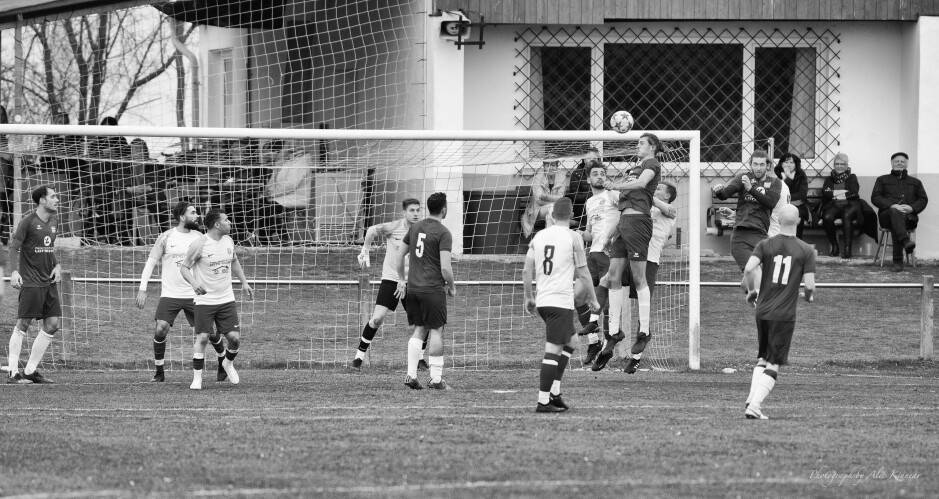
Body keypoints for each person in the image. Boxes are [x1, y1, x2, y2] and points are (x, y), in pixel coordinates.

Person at [591, 133, 662, 371]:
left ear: (652, 147)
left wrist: (616, 184)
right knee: (612, 277)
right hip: (624, 224)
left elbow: (641, 184)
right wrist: (610, 233)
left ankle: (644, 330)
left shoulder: (652, 164)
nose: (638, 145)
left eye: (642, 142)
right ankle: (613, 332)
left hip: (639, 223)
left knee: (639, 278)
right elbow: (625, 193)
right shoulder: (633, 168)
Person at [524, 197, 599, 413]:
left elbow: (527, 270)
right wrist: (593, 300)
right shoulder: (574, 237)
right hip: (559, 302)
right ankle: (543, 400)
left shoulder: (539, 236)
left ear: (551, 215)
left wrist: (529, 297)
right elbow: (583, 272)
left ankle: (555, 392)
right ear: (572, 216)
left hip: (544, 301)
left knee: (572, 340)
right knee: (553, 349)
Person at [742, 205, 816, 420]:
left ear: (779, 220)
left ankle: (751, 398)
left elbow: (748, 269)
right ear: (799, 221)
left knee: (763, 358)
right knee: (774, 362)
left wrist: (752, 291)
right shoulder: (806, 250)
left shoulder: (765, 244)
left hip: (762, 310)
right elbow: (809, 286)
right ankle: (754, 406)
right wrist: (809, 296)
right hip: (783, 314)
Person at [136, 201, 223, 383]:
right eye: (192, 212)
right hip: (170, 294)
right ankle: (159, 372)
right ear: (182, 217)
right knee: (160, 328)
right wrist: (142, 290)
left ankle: (223, 360)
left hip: (195, 294)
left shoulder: (201, 237)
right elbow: (150, 263)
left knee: (210, 332)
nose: (197, 215)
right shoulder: (166, 237)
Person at [180, 209, 254, 390]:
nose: (230, 223)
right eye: (227, 220)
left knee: (234, 339)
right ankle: (197, 379)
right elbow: (183, 268)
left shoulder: (228, 240)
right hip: (205, 301)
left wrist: (244, 282)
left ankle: (227, 363)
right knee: (203, 337)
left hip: (226, 299)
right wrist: (194, 283)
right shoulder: (200, 244)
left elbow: (234, 261)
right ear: (216, 224)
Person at [352, 198, 426, 371]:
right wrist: (365, 250)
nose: (415, 214)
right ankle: (358, 358)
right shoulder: (393, 227)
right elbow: (371, 230)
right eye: (412, 210)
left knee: (421, 322)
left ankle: (421, 359)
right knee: (376, 319)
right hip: (392, 280)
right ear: (404, 212)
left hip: (413, 282)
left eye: (418, 210)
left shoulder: (422, 230)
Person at [395, 192, 455, 390]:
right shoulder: (444, 232)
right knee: (437, 330)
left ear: (428, 208)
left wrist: (401, 280)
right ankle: (436, 380)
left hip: (413, 288)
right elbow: (446, 268)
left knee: (419, 329)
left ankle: (411, 376)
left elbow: (400, 254)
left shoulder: (415, 228)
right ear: (444, 209)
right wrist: (452, 286)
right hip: (432, 289)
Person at [620, 181, 678, 374]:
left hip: (650, 261)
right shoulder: (644, 205)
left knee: (642, 307)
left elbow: (669, 212)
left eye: (659, 189)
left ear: (667, 196)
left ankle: (636, 357)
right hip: (630, 256)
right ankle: (608, 340)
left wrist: (642, 190)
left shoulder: (669, 209)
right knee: (612, 293)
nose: (656, 190)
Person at [6, 186, 63, 383]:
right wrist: (14, 271)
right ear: (41, 200)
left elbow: (48, 248)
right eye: (53, 196)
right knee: (23, 324)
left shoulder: (54, 221)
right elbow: (13, 248)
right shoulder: (28, 222)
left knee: (53, 324)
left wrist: (57, 266)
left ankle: (30, 370)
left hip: (49, 281)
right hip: (31, 281)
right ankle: (13, 373)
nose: (57, 199)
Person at [711, 150, 782, 293]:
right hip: (741, 237)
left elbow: (770, 203)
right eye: (755, 164)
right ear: (750, 165)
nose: (758, 168)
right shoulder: (742, 178)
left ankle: (750, 292)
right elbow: (725, 195)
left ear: (768, 166)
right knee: (760, 282)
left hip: (762, 237)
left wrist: (750, 189)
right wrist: (719, 191)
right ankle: (765, 312)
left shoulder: (775, 183)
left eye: (762, 164)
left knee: (752, 282)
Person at [573, 160, 620, 365]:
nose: (600, 177)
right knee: (578, 298)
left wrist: (613, 237)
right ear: (588, 179)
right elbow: (591, 234)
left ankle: (608, 345)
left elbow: (625, 216)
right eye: (595, 174)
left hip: (609, 255)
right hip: (592, 254)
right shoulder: (589, 202)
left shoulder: (613, 194)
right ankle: (593, 341)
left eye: (603, 173)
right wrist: (582, 234)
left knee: (608, 303)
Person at [871, 152, 928, 272]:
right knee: (894, 213)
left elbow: (923, 199)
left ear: (907, 164)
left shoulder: (916, 182)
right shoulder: (882, 180)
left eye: (902, 161)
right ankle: (905, 243)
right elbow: (875, 197)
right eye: (896, 161)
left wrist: (911, 208)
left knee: (897, 224)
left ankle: (898, 260)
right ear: (892, 163)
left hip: (909, 218)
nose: (899, 163)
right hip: (886, 216)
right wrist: (892, 205)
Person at [819, 153, 864, 258]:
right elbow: (825, 193)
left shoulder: (852, 177)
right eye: (837, 164)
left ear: (846, 165)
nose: (839, 166)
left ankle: (848, 249)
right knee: (827, 217)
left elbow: (854, 192)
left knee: (847, 216)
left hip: (851, 204)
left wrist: (834, 193)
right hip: (834, 205)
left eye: (842, 164)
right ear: (834, 165)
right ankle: (835, 246)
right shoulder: (829, 179)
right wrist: (844, 193)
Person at [521, 158, 570, 238]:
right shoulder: (538, 178)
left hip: (554, 211)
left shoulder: (562, 177)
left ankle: (549, 238)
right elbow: (539, 200)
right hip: (536, 212)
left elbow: (561, 197)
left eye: (553, 165)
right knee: (552, 207)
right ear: (544, 166)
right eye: (547, 165)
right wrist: (555, 202)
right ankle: (563, 234)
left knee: (551, 210)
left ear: (557, 166)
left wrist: (546, 196)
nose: (550, 168)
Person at [773, 153, 809, 239]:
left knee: (796, 215)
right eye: (786, 162)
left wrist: (787, 198)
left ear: (796, 165)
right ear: (781, 163)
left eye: (792, 162)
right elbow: (779, 192)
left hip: (798, 205)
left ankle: (797, 241)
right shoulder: (775, 175)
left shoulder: (801, 175)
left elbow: (802, 194)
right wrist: (788, 179)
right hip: (779, 205)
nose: (788, 165)